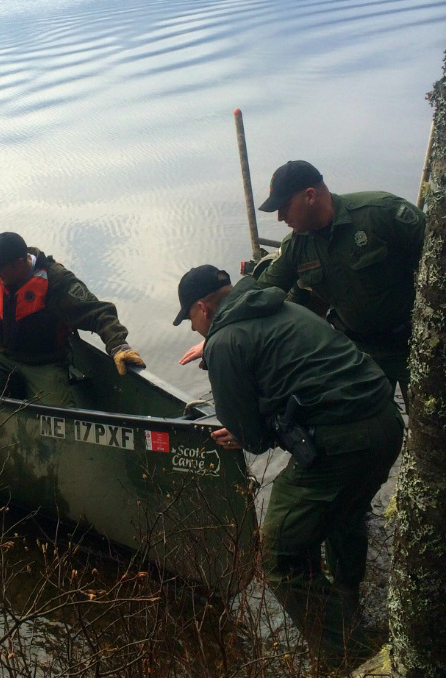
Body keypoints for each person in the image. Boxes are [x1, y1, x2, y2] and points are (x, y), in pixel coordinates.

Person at [173, 265, 404, 669]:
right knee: (343, 509)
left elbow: (255, 439)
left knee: (279, 555)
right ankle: (348, 599)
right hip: (384, 424)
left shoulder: (226, 339)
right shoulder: (284, 307)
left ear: (202, 308)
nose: (193, 330)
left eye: (189, 320)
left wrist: (242, 429)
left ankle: (352, 658)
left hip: (343, 440)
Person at [180, 161, 424, 402]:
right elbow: (256, 294)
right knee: (365, 425)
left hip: (415, 344)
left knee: (435, 426)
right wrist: (216, 336)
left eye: (284, 206)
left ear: (310, 196)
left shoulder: (381, 213)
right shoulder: (297, 246)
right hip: (360, 351)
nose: (280, 217)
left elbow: (440, 256)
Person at [0, 232, 145, 406]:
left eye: (0, 269)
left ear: (19, 263)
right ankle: (16, 400)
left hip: (45, 361)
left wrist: (118, 345)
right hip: (5, 355)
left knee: (59, 413)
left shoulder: (56, 281)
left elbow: (98, 312)